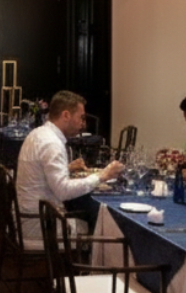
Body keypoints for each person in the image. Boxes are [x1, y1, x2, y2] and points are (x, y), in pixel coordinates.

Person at [16, 90, 124, 235]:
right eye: (80, 117)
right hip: (41, 225)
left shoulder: (38, 133)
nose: (82, 124)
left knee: (86, 213)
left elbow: (42, 172)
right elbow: (63, 191)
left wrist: (66, 168)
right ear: (66, 115)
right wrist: (102, 176)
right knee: (101, 227)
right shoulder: (52, 143)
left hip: (26, 216)